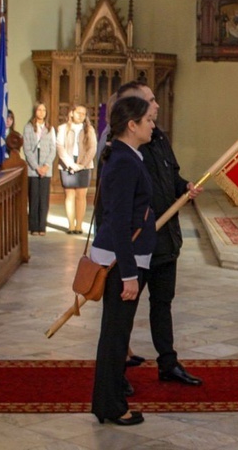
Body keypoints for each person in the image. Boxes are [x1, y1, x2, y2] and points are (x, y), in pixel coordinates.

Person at [117, 81, 203, 386]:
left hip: (166, 239)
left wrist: (185, 188)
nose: (156, 105)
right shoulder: (124, 148)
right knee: (124, 311)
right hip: (139, 242)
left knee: (162, 302)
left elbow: (171, 175)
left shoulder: (159, 137)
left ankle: (168, 363)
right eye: (150, 101)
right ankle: (117, 370)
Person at [90, 96, 156, 426]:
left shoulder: (126, 156)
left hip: (126, 259)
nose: (152, 125)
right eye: (147, 120)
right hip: (121, 264)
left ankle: (110, 399)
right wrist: (129, 275)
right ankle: (110, 406)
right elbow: (117, 221)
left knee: (117, 333)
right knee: (115, 336)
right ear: (132, 125)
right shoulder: (124, 162)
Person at [56, 104, 97, 234]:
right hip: (67, 163)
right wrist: (71, 165)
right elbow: (60, 147)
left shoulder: (89, 129)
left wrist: (81, 165)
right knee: (70, 195)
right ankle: (71, 225)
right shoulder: (62, 128)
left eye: (83, 114)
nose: (81, 115)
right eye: (78, 112)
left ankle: (79, 225)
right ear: (71, 113)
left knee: (81, 195)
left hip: (84, 164)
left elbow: (92, 148)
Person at [23, 102, 56, 236]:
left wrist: (46, 166)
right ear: (34, 111)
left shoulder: (50, 128)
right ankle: (33, 226)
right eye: (39, 110)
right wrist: (36, 168)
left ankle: (42, 226)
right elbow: (26, 149)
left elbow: (53, 149)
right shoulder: (28, 127)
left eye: (44, 110)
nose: (41, 112)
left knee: (44, 198)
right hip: (33, 168)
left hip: (46, 168)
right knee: (34, 197)